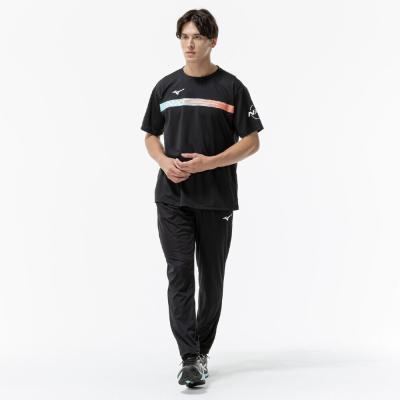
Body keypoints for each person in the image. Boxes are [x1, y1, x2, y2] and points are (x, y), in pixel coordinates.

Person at [140, 8, 264, 388]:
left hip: (216, 199)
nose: (189, 44)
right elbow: (150, 136)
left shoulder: (231, 88)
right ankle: (189, 357)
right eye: (184, 37)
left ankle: (201, 350)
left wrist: (209, 163)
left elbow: (252, 142)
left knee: (211, 279)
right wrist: (163, 162)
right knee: (179, 272)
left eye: (197, 37)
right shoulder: (165, 87)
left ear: (213, 41)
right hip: (172, 198)